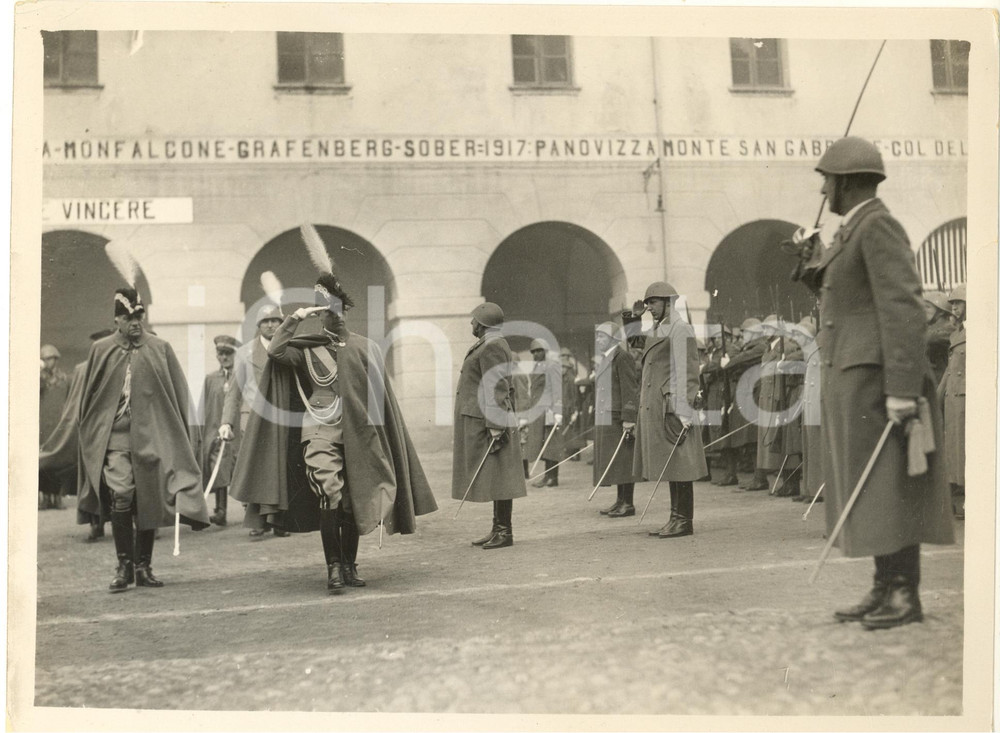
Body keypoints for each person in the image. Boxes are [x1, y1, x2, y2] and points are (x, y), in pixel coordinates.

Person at [796, 136, 954, 629]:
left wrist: (904, 388)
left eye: (826, 178)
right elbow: (846, 297)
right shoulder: (852, 230)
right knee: (875, 491)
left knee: (892, 488)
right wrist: (810, 263)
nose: (823, 187)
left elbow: (902, 308)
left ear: (844, 181)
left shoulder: (877, 225)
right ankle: (884, 587)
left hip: (882, 382)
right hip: (857, 379)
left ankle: (905, 594)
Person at [228, 272, 437, 593]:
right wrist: (295, 319)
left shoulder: (365, 348)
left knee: (352, 502)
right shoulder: (307, 348)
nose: (332, 316)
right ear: (318, 315)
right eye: (325, 311)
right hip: (320, 434)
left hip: (359, 436)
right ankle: (334, 568)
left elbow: (379, 401)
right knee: (330, 495)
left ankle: (350, 566)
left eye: (337, 310)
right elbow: (276, 352)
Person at [77, 288, 211, 592]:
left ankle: (143, 566)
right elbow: (89, 400)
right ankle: (123, 565)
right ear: (116, 320)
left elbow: (176, 396)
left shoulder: (159, 348)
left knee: (149, 498)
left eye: (139, 315)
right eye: (128, 316)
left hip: (153, 438)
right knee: (122, 494)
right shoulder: (101, 349)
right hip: (115, 439)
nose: (135, 321)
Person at [629, 281, 708, 538]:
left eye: (654, 302)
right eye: (648, 303)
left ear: (668, 303)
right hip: (660, 406)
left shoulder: (680, 328)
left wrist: (684, 408)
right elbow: (635, 344)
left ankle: (684, 520)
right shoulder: (659, 328)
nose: (650, 307)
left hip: (673, 407)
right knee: (672, 465)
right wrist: (630, 320)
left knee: (681, 464)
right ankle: (675, 517)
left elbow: (688, 369)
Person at [453, 302, 527, 549]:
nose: (471, 323)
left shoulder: (493, 345)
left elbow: (496, 386)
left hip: (492, 422)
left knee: (502, 476)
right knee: (497, 475)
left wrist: (496, 424)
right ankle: (498, 528)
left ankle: (504, 531)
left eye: (474, 320)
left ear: (483, 322)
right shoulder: (488, 343)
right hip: (486, 419)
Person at [219, 303, 288, 537]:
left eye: (275, 321)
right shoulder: (245, 352)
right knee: (256, 469)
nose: (270, 325)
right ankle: (258, 522)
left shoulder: (288, 349)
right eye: (265, 321)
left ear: (281, 323)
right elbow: (234, 392)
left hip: (281, 419)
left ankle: (280, 520)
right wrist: (226, 422)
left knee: (281, 468)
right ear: (258, 326)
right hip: (253, 420)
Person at [39, 329, 114, 539]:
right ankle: (96, 525)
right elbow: (73, 405)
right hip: (91, 435)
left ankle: (134, 525)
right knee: (93, 482)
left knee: (121, 481)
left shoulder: (120, 364)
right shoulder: (82, 370)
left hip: (116, 432)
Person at [592, 322, 640, 517]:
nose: (598, 340)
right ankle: (620, 500)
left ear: (612, 339)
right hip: (607, 415)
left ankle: (628, 503)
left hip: (618, 416)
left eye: (601, 336)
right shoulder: (606, 358)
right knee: (616, 460)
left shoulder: (623, 357)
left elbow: (630, 389)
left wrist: (628, 418)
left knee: (624, 460)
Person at [194, 334, 240, 526]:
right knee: (218, 469)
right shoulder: (211, 379)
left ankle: (251, 508)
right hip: (215, 433)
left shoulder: (243, 377)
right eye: (220, 353)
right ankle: (220, 511)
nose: (224, 357)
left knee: (241, 469)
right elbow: (203, 407)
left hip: (237, 433)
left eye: (228, 353)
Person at [722, 318, 766, 481]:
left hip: (755, 395)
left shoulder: (759, 347)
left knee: (754, 437)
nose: (742, 336)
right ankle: (758, 477)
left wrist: (728, 363)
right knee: (750, 438)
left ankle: (760, 477)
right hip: (748, 394)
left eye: (745, 332)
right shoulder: (748, 348)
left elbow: (744, 358)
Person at [937, 284, 966, 520]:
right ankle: (958, 499)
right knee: (954, 451)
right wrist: (938, 395)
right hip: (953, 398)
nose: (954, 307)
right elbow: (950, 369)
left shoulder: (977, 332)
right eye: (952, 303)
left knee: (964, 451)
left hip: (966, 400)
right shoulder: (956, 334)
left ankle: (966, 501)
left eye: (958, 303)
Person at [521, 338, 564, 487]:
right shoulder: (537, 367)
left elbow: (557, 389)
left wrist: (557, 411)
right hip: (538, 411)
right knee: (543, 444)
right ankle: (547, 476)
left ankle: (553, 477)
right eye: (534, 352)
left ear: (545, 351)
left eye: (539, 351)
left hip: (549, 410)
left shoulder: (552, 366)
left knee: (551, 444)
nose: (536, 354)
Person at [795, 317, 825, 504]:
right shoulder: (810, 351)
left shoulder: (817, 350)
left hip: (817, 405)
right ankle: (809, 488)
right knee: (808, 448)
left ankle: (818, 490)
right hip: (810, 403)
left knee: (816, 449)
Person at [39, 344, 71, 509]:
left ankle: (57, 496)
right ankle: (44, 497)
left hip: (58, 423)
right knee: (42, 462)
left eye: (50, 358)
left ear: (55, 359)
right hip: (42, 425)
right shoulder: (39, 378)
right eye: (44, 359)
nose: (47, 362)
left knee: (58, 462)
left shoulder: (64, 378)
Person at [923, 292, 956, 385]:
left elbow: (929, 338)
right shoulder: (932, 327)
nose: (923, 310)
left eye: (927, 307)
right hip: (932, 380)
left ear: (941, 311)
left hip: (941, 382)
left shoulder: (948, 328)